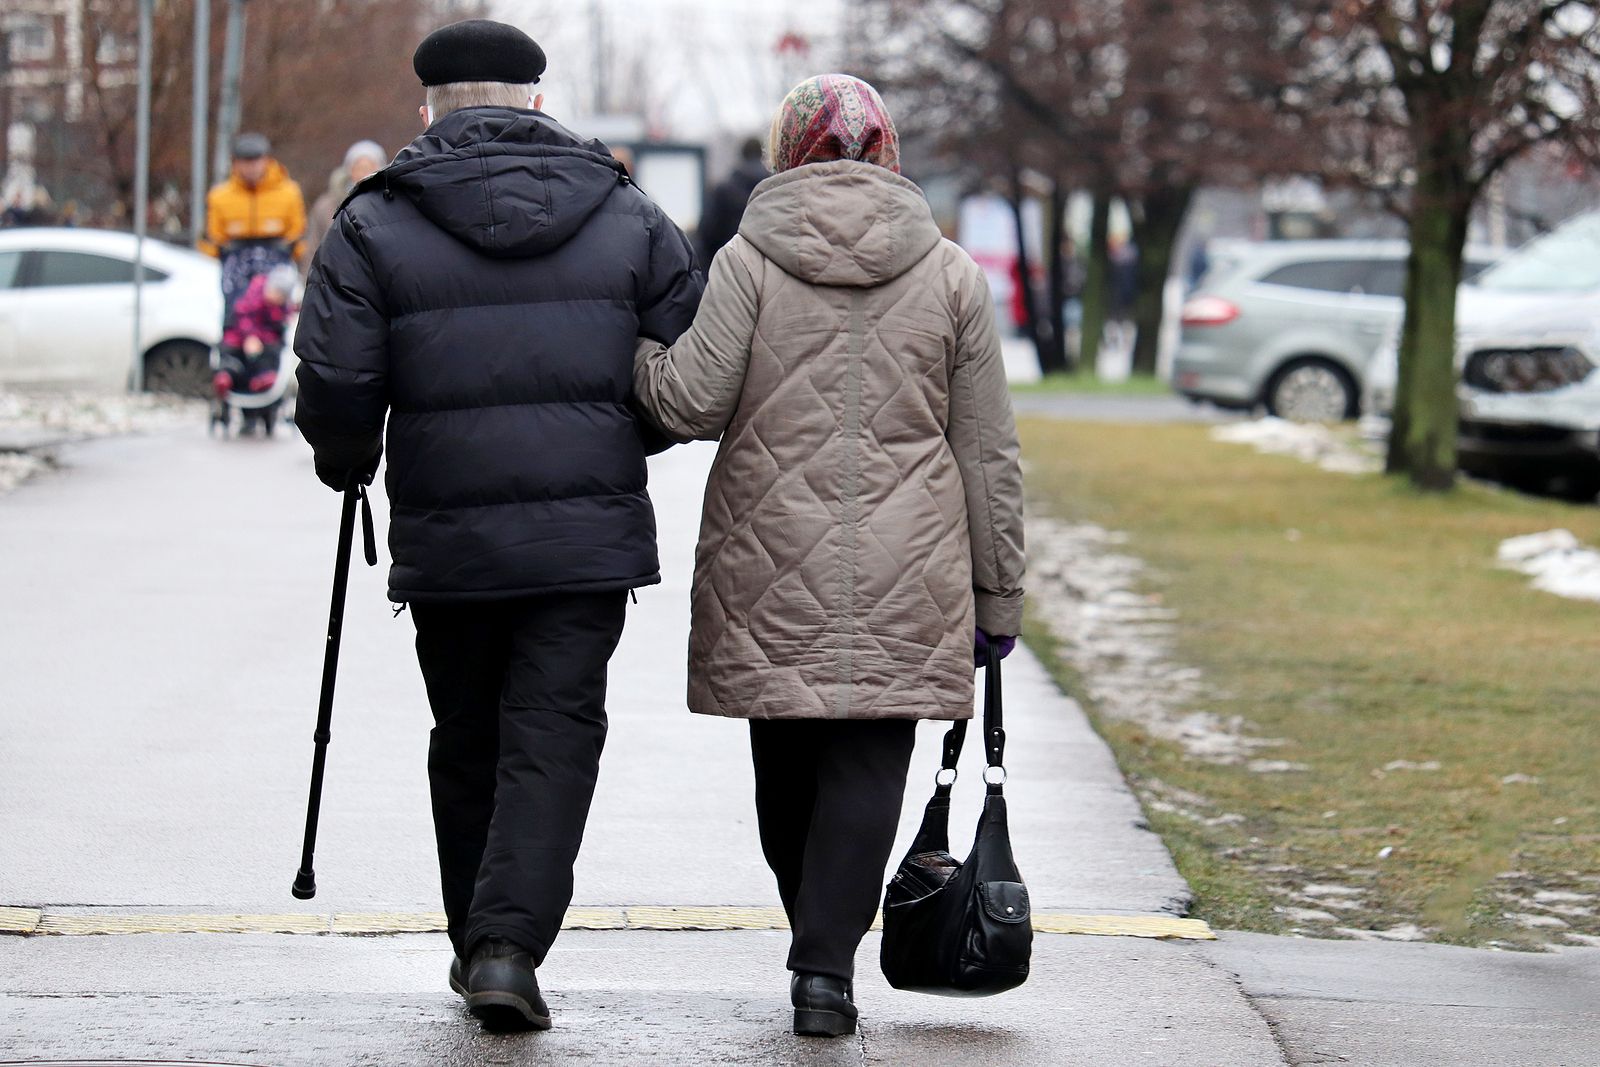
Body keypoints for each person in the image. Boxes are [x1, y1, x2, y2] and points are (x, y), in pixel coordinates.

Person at [293, 18, 701, 1032]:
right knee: (553, 733)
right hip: (584, 539)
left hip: (450, 534)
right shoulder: (625, 210)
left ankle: (479, 937)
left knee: (467, 731)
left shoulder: (374, 217)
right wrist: (614, 436)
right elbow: (688, 360)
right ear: (536, 98)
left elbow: (338, 376)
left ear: (427, 105)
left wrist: (348, 460)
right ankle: (507, 944)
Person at [633, 74, 1025, 1039]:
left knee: (787, 771)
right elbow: (987, 452)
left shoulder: (746, 260)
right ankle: (824, 965)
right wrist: (999, 595)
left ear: (787, 150)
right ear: (889, 152)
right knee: (866, 771)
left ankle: (815, 948)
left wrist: (637, 354)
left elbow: (687, 401)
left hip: (768, 555)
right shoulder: (949, 274)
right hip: (912, 563)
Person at [200, 133, 308, 307]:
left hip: (275, 259)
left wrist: (289, 250)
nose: (251, 168)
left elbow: (297, 231)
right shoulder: (220, 196)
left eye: (256, 161)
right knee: (236, 317)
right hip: (236, 262)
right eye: (245, 162)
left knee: (273, 318)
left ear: (267, 160)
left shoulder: (289, 192)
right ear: (235, 163)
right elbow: (213, 236)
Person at [306, 140, 388, 262]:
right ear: (349, 170)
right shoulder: (326, 206)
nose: (364, 173)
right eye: (359, 168)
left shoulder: (390, 202)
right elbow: (313, 247)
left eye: (370, 167)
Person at [695, 136, 768, 266]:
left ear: (742, 155)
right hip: (766, 269)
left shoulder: (723, 190)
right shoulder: (774, 189)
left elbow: (707, 234)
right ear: (762, 155)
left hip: (729, 266)